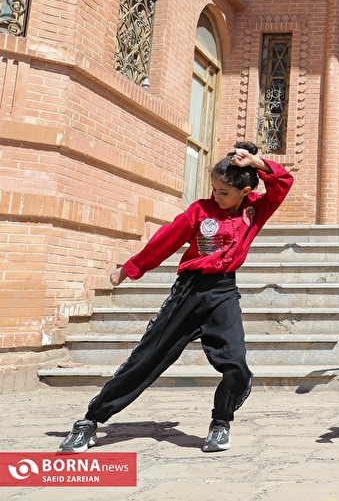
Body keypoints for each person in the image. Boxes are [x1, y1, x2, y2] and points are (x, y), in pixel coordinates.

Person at [57, 142, 294, 453]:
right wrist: (130, 269)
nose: (216, 196)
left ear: (246, 191)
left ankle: (221, 422)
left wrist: (257, 161)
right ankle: (90, 421)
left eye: (224, 192)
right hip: (190, 292)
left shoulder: (256, 209)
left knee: (236, 365)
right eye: (214, 189)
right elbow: (164, 241)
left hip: (223, 293)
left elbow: (283, 181)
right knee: (147, 358)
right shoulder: (199, 211)